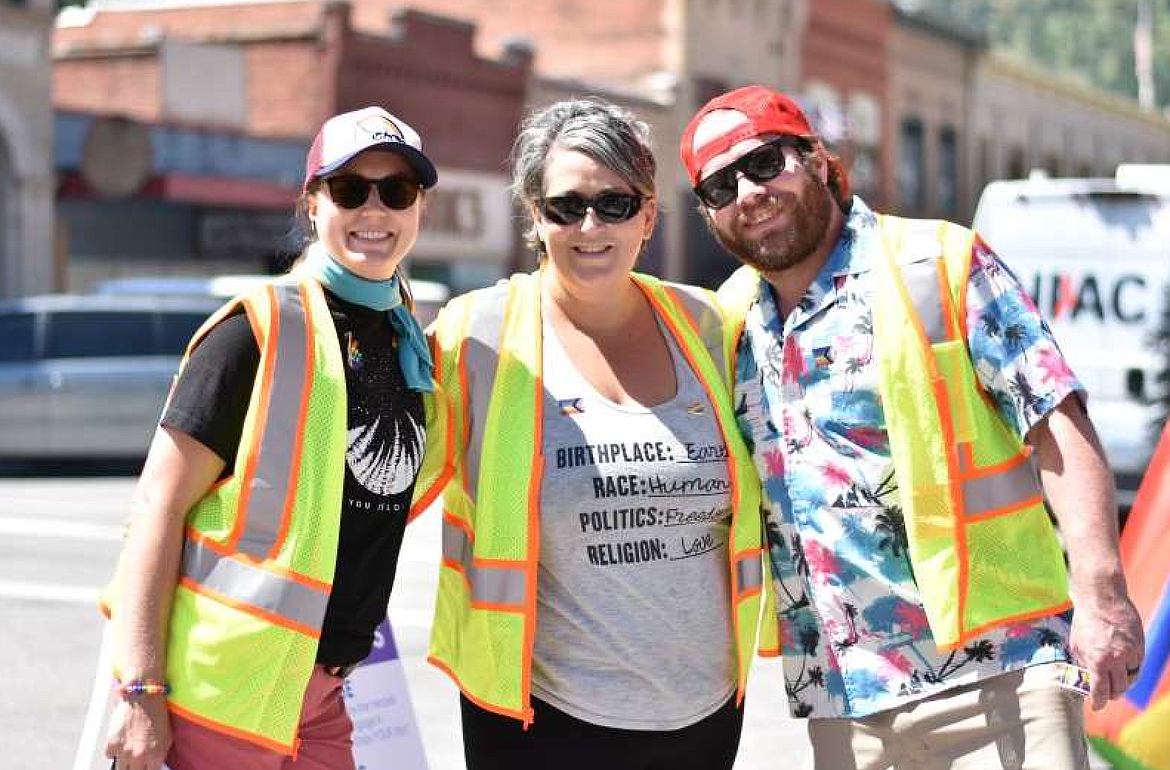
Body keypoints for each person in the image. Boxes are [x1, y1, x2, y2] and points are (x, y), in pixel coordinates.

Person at [679, 84, 1146, 770]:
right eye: (721, 186)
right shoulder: (729, 323)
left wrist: (1104, 596)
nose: (748, 192)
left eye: (765, 162)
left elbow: (1059, 424)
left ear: (815, 158)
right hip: (845, 705)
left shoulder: (939, 265)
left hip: (997, 675)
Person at [408, 98, 764, 770]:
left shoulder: (711, 328)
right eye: (567, 206)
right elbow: (378, 483)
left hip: (706, 713)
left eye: (615, 204)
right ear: (535, 218)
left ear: (650, 214)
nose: (590, 225)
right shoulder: (476, 336)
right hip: (541, 720)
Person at [102, 105, 437, 770]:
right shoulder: (254, 331)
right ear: (313, 203)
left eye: (396, 191)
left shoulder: (405, 341)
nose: (375, 210)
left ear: (418, 207)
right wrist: (139, 691)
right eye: (349, 190)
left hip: (323, 688)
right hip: (227, 690)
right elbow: (155, 510)